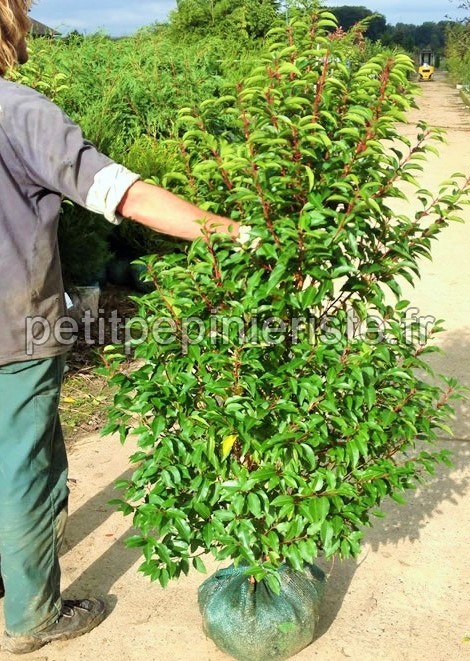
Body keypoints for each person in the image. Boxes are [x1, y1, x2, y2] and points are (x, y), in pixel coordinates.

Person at [0, 0, 239, 654]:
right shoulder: (17, 110)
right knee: (25, 468)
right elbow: (123, 193)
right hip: (11, 330)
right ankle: (32, 615)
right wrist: (235, 232)